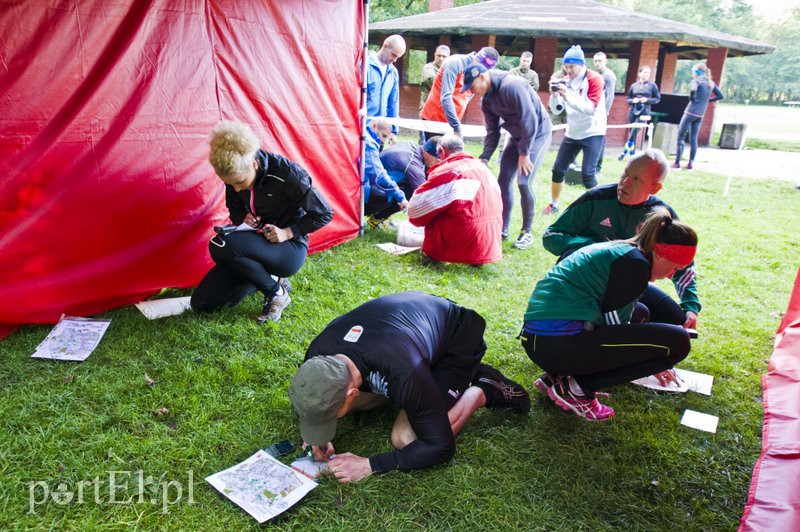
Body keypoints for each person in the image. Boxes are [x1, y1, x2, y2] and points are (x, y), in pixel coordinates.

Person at [289, 291, 530, 482]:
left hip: (456, 339)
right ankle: (425, 387)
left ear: (352, 392)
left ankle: (482, 387)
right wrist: (315, 435)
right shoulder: (316, 357)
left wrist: (368, 465)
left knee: (405, 438)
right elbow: (312, 396)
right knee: (358, 404)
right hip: (408, 333)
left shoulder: (402, 370)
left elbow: (440, 447)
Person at [522, 209, 697, 420]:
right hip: (554, 344)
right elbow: (614, 330)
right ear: (660, 254)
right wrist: (653, 357)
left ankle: (557, 377)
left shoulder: (625, 252)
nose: (672, 275)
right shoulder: (636, 266)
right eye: (674, 267)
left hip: (543, 341)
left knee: (641, 313)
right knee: (678, 343)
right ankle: (577, 388)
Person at [191, 120, 333, 322]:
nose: (236, 189)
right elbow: (235, 209)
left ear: (254, 163)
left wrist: (288, 232)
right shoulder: (235, 176)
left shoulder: (289, 174)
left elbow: (324, 214)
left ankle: (277, 293)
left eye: (239, 182)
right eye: (229, 184)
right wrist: (243, 218)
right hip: (254, 245)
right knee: (202, 304)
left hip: (288, 248)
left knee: (220, 243)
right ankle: (267, 278)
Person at [542, 149, 701, 329]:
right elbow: (551, 236)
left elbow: (681, 262)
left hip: (630, 285)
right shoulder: (596, 198)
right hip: (587, 284)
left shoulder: (662, 216)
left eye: (636, 179)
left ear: (655, 188)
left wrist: (690, 307)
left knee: (677, 322)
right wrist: (592, 247)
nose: (624, 183)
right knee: (636, 314)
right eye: (625, 173)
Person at [465, 63, 552, 250]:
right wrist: (485, 157)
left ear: (481, 77)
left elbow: (530, 119)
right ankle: (502, 227)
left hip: (537, 134)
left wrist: (524, 152)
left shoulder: (512, 85)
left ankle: (526, 232)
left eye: (472, 87)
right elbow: (492, 131)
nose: (472, 92)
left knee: (523, 181)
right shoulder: (486, 101)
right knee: (503, 180)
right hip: (517, 135)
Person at [408, 134, 503, 265]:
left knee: (435, 210)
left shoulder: (447, 171)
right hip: (489, 246)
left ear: (441, 151)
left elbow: (415, 210)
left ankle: (435, 254)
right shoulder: (483, 168)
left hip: (461, 246)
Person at [543, 45, 607, 216]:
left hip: (593, 131)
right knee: (558, 170)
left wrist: (567, 96)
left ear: (581, 64)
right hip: (573, 131)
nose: (568, 70)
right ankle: (554, 204)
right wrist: (555, 95)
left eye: (571, 66)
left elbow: (590, 108)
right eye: (566, 66)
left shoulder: (595, 79)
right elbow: (557, 110)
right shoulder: (565, 79)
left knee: (588, 174)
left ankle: (600, 209)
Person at [419, 47, 499, 140]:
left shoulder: (478, 72)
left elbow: (470, 94)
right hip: (435, 118)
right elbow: (445, 97)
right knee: (435, 152)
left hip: (454, 119)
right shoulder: (454, 63)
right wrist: (456, 127)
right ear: (476, 59)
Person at [366, 135, 441, 228]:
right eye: (437, 159)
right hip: (369, 189)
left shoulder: (412, 146)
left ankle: (379, 216)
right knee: (412, 194)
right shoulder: (412, 164)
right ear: (427, 153)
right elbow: (425, 195)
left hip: (375, 182)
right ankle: (374, 218)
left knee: (409, 189)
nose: (438, 163)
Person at [674, 63, 724, 170]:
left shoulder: (696, 81)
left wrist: (692, 99)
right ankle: (691, 163)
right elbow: (720, 96)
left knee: (681, 137)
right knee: (693, 138)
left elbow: (693, 90)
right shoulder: (711, 83)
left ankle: (677, 163)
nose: (692, 74)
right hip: (700, 115)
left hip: (690, 112)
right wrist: (707, 101)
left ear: (697, 72)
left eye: (693, 72)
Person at [363, 118, 410, 227]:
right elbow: (379, 175)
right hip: (357, 191)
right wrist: (401, 197)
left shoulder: (364, 135)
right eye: (383, 135)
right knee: (385, 197)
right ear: (374, 126)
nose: (383, 141)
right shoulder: (369, 144)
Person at [367, 34, 407, 141]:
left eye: (398, 57)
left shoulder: (393, 73)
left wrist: (394, 130)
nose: (395, 60)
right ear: (385, 45)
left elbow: (393, 103)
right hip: (363, 127)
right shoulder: (365, 67)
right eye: (393, 55)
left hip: (380, 130)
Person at [618, 66, 660, 161]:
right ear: (639, 73)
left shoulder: (652, 86)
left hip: (644, 111)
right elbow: (628, 98)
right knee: (631, 132)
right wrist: (634, 100)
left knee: (635, 130)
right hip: (633, 110)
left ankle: (624, 152)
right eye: (644, 72)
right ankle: (632, 155)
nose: (646, 75)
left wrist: (647, 100)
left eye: (648, 73)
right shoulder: (634, 85)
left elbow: (657, 99)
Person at [592, 52, 617, 174]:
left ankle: (597, 167)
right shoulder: (595, 74)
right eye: (595, 61)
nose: (597, 63)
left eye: (600, 61)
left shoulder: (609, 75)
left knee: (600, 138)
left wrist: (605, 112)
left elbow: (610, 95)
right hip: (593, 110)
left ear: (605, 61)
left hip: (601, 112)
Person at [420, 45, 451, 111]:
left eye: (444, 56)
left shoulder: (449, 70)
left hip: (443, 110)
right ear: (435, 55)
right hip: (428, 109)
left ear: (448, 58)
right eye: (438, 55)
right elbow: (434, 83)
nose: (441, 58)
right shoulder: (428, 68)